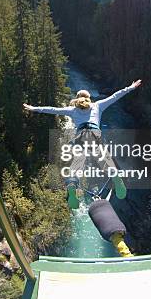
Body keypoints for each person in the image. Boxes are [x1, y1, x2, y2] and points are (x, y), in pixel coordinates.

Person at [23, 80, 142, 208]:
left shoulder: (73, 110)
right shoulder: (97, 105)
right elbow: (115, 96)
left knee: (76, 164)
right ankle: (116, 177)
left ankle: (72, 186)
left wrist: (34, 108)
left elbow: (52, 109)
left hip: (80, 137)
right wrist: (131, 87)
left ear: (77, 98)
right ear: (89, 98)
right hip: (94, 134)